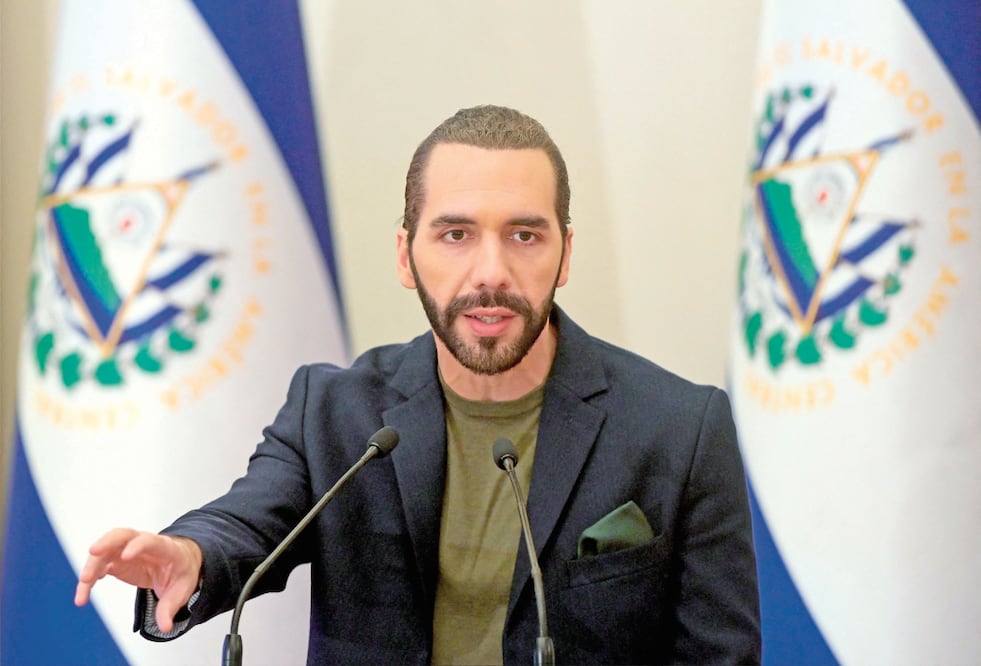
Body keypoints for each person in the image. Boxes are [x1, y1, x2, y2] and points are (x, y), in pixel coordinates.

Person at [75, 105, 761, 664]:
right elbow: (247, 520)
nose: (490, 271)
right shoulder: (336, 411)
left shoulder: (679, 427)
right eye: (455, 234)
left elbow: (720, 655)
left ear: (565, 252)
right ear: (406, 256)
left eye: (524, 236)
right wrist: (191, 554)